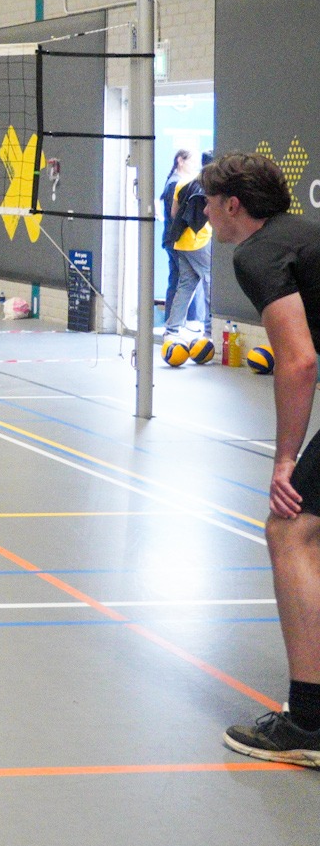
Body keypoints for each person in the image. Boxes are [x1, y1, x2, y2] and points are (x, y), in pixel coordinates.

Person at [198, 152, 320, 768]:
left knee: (290, 528)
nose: (207, 214)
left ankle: (309, 725)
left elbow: (298, 361)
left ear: (233, 206)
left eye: (209, 202)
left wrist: (283, 461)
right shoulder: (304, 236)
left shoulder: (258, 253)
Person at [167, 150, 212, 337]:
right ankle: (210, 329)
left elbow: (173, 214)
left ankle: (172, 329)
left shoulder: (183, 184)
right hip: (199, 240)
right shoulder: (209, 187)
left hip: (181, 243)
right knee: (210, 283)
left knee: (185, 286)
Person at [160, 150, 191, 320]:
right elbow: (176, 215)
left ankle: (171, 320)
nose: (194, 166)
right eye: (191, 162)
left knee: (176, 280)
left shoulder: (173, 182)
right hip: (176, 240)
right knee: (183, 282)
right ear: (180, 160)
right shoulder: (175, 184)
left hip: (171, 239)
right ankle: (175, 322)